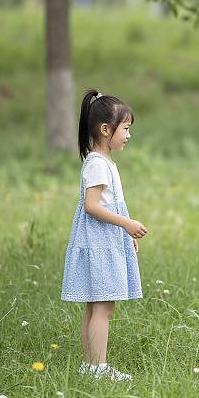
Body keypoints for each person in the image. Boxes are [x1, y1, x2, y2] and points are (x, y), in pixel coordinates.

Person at [61, 89, 147, 381]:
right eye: (125, 129)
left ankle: (90, 365)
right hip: (99, 243)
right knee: (104, 307)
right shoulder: (98, 164)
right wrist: (126, 223)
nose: (128, 135)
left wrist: (125, 233)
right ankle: (98, 367)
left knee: (96, 305)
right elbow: (92, 206)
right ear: (105, 129)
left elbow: (106, 205)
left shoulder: (103, 162)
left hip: (104, 240)